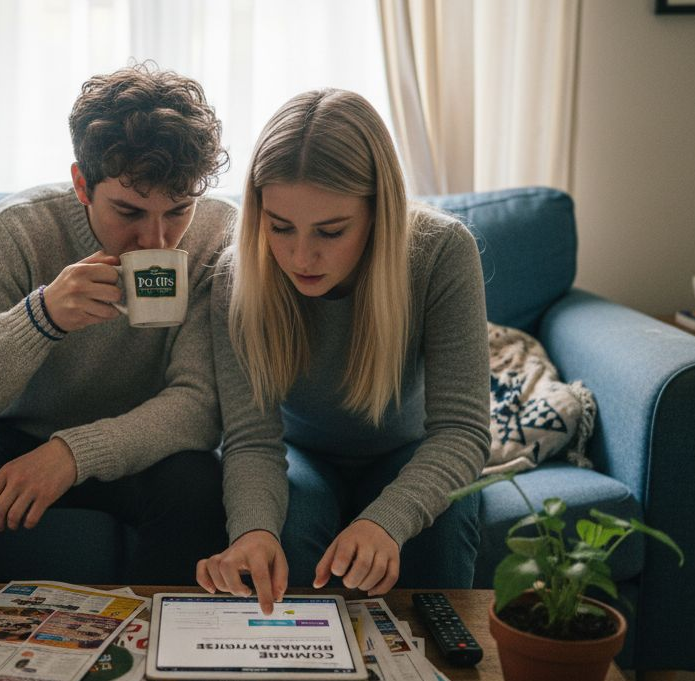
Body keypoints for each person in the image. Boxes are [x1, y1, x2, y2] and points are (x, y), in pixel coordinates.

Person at [0, 63, 235, 584]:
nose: (157, 241)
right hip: (19, 438)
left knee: (198, 482)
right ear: (82, 185)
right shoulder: (17, 230)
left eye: (178, 210)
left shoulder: (217, 234)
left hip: (144, 446)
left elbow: (199, 406)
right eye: (129, 212)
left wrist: (72, 455)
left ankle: (160, 636)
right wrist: (41, 317)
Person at [197, 89, 490, 613]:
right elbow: (251, 439)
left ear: (379, 212)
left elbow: (461, 431)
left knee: (442, 531)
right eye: (280, 227)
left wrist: (386, 522)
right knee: (284, 537)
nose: (300, 257)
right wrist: (252, 532)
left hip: (409, 448)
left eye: (330, 232)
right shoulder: (236, 277)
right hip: (300, 453)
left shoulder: (442, 251)